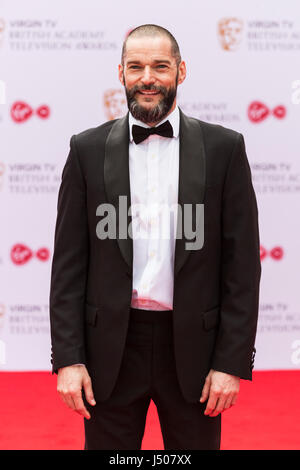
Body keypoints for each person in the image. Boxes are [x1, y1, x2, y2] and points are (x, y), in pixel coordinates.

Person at [49, 24, 261, 450]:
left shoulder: (224, 148)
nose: (148, 77)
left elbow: (241, 267)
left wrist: (230, 362)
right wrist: (69, 358)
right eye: (136, 66)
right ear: (122, 74)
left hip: (194, 355)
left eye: (160, 66)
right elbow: (69, 265)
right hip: (109, 350)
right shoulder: (86, 150)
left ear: (181, 72)